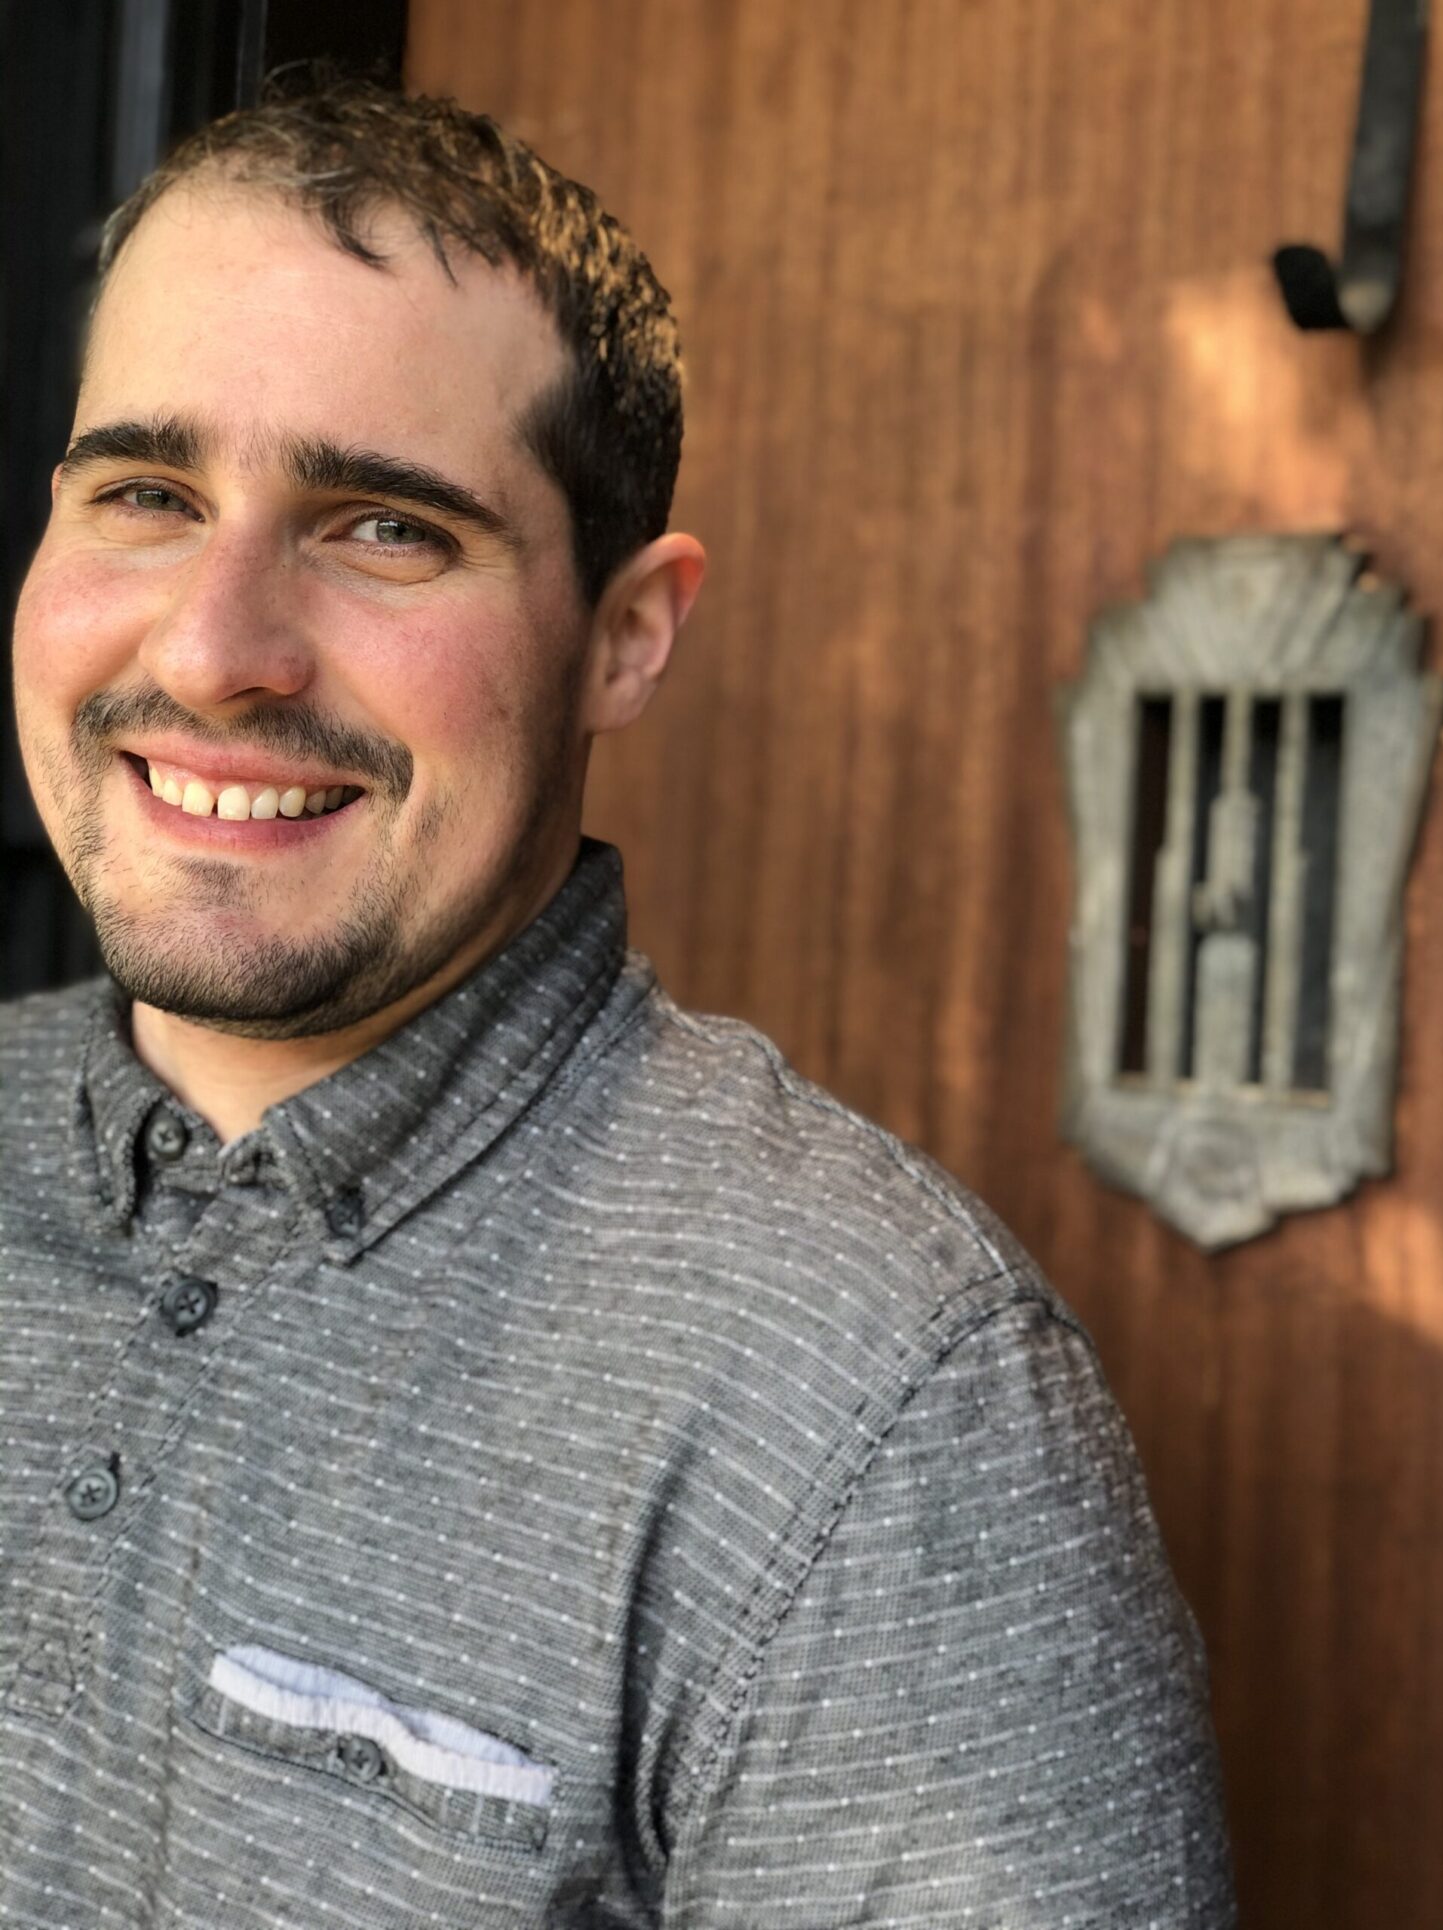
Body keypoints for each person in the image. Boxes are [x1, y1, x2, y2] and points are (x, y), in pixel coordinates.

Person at [0, 75, 1235, 1929]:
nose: (210, 647)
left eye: (383, 529)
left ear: (627, 635)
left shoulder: (880, 1412)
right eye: (148, 495)